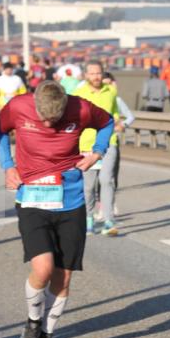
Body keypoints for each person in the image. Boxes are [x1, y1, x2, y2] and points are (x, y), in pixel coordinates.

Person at [0, 80, 114, 338]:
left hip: (70, 199)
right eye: (43, 119)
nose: (48, 125)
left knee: (64, 275)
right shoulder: (18, 106)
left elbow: (107, 122)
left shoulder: (81, 108)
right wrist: (8, 166)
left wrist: (97, 152)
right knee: (43, 267)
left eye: (55, 119)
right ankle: (32, 325)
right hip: (33, 198)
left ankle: (48, 335)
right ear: (35, 104)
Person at [72, 61, 121, 235]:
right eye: (92, 73)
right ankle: (88, 220)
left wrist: (117, 122)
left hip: (109, 142)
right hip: (86, 145)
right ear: (86, 75)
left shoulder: (111, 91)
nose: (96, 77)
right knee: (88, 187)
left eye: (99, 73)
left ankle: (108, 221)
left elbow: (115, 113)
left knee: (106, 180)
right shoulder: (78, 94)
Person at [101, 71, 136, 215]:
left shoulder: (117, 99)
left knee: (111, 175)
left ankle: (110, 203)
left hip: (112, 141)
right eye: (105, 84)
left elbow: (130, 117)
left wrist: (122, 125)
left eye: (110, 84)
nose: (108, 87)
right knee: (97, 178)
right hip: (95, 142)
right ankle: (101, 207)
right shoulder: (93, 99)